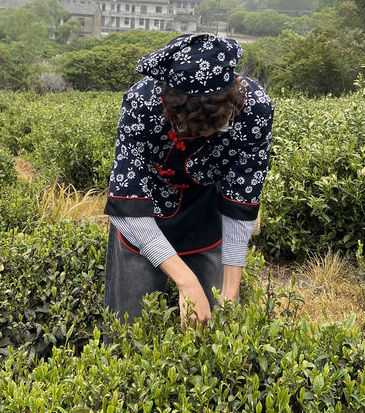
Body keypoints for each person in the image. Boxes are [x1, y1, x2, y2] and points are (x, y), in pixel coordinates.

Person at [104, 33, 274, 327]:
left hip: (205, 210)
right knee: (130, 329)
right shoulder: (141, 104)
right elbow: (126, 200)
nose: (205, 136)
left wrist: (230, 291)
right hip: (144, 210)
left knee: (218, 321)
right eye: (191, 129)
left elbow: (241, 201)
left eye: (217, 127)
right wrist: (185, 281)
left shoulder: (256, 110)